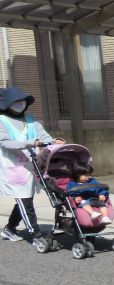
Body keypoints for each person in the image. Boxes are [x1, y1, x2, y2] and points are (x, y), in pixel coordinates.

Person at [0, 86, 63, 241]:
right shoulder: (1, 120)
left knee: (26, 198)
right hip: (13, 166)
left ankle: (9, 228)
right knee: (24, 198)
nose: (20, 104)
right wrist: (30, 143)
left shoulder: (30, 119)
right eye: (16, 101)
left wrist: (53, 141)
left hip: (32, 163)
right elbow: (5, 142)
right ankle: (35, 234)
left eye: (22, 101)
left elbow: (43, 136)